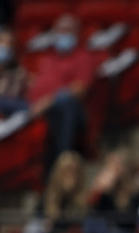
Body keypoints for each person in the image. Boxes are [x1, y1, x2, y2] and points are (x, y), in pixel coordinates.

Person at [27, 14, 98, 170]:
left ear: (76, 33)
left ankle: (61, 162)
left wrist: (48, 102)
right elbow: (35, 81)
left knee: (67, 104)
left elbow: (80, 89)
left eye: (67, 31)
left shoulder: (83, 56)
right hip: (33, 104)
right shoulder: (47, 56)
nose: (63, 34)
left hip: (65, 109)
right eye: (59, 30)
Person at [0, 27, 29, 117]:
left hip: (11, 105)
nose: (5, 46)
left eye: (9, 43)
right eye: (1, 42)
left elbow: (12, 95)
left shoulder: (19, 71)